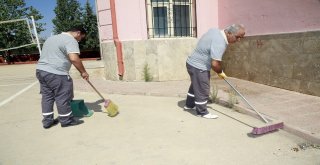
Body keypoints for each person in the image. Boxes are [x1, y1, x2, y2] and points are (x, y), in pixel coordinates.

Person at [184, 24, 245, 119]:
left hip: (191, 63)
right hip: (199, 67)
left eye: (241, 38)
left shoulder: (215, 31)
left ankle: (189, 105)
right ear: (229, 33)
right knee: (203, 89)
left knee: (195, 85)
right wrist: (220, 72)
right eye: (237, 37)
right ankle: (202, 112)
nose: (238, 40)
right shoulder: (220, 42)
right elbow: (215, 64)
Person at [36, 26, 89, 128]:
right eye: (81, 37)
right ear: (78, 33)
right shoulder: (70, 40)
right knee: (63, 96)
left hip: (41, 71)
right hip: (56, 73)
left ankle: (47, 121)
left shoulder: (51, 38)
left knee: (47, 96)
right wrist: (83, 72)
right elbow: (74, 59)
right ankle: (66, 120)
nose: (80, 40)